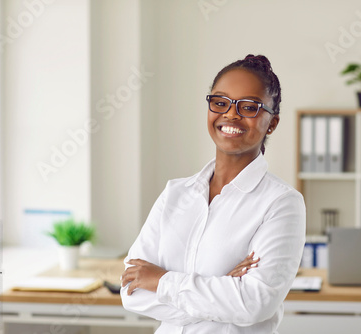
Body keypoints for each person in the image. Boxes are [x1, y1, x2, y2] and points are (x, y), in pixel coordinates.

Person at [120, 54, 306, 333]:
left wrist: (161, 281)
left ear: (272, 123)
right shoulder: (175, 193)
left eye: (249, 107)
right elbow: (131, 291)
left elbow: (254, 304)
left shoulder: (281, 203)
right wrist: (222, 287)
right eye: (220, 102)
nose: (231, 114)